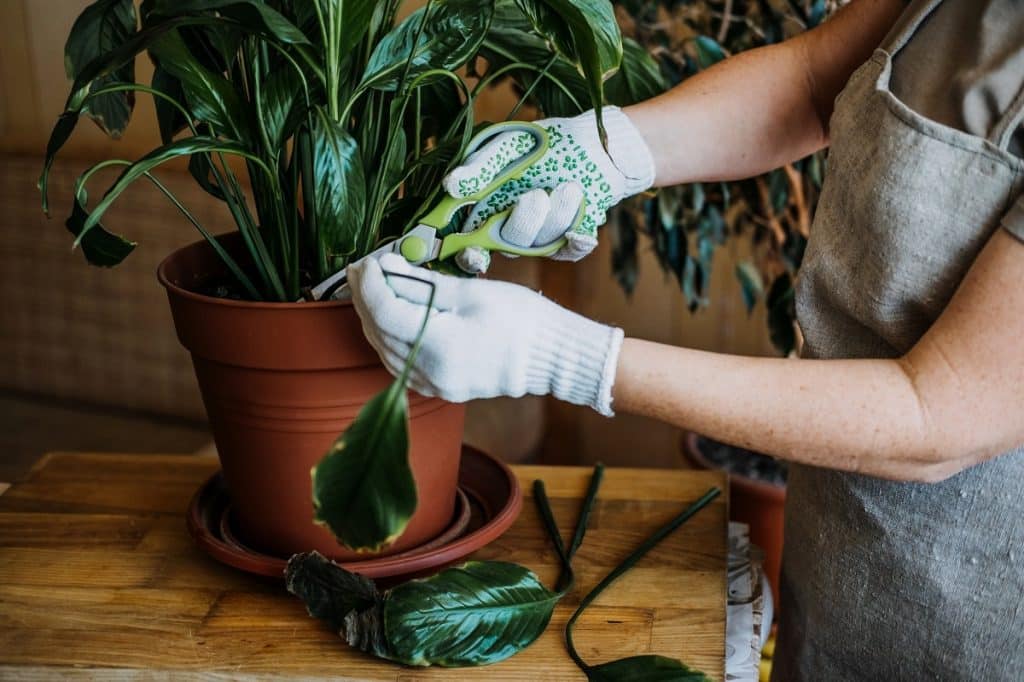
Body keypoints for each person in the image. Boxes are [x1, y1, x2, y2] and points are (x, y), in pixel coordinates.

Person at [347, 0, 1024, 678]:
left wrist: (563, 356)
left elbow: (940, 411)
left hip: (974, 620)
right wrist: (607, 152)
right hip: (840, 562)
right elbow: (819, 78)